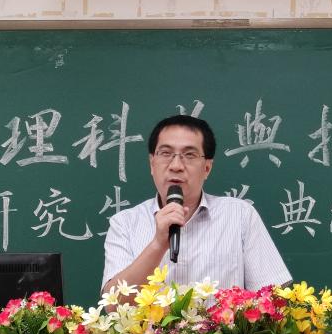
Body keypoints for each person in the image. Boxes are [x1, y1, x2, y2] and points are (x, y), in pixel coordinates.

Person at [101, 114, 291, 299]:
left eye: (189, 155)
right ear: (152, 164)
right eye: (166, 153)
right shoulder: (125, 223)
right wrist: (158, 244)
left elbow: (273, 298)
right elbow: (113, 305)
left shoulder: (240, 215)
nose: (176, 165)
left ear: (207, 168)